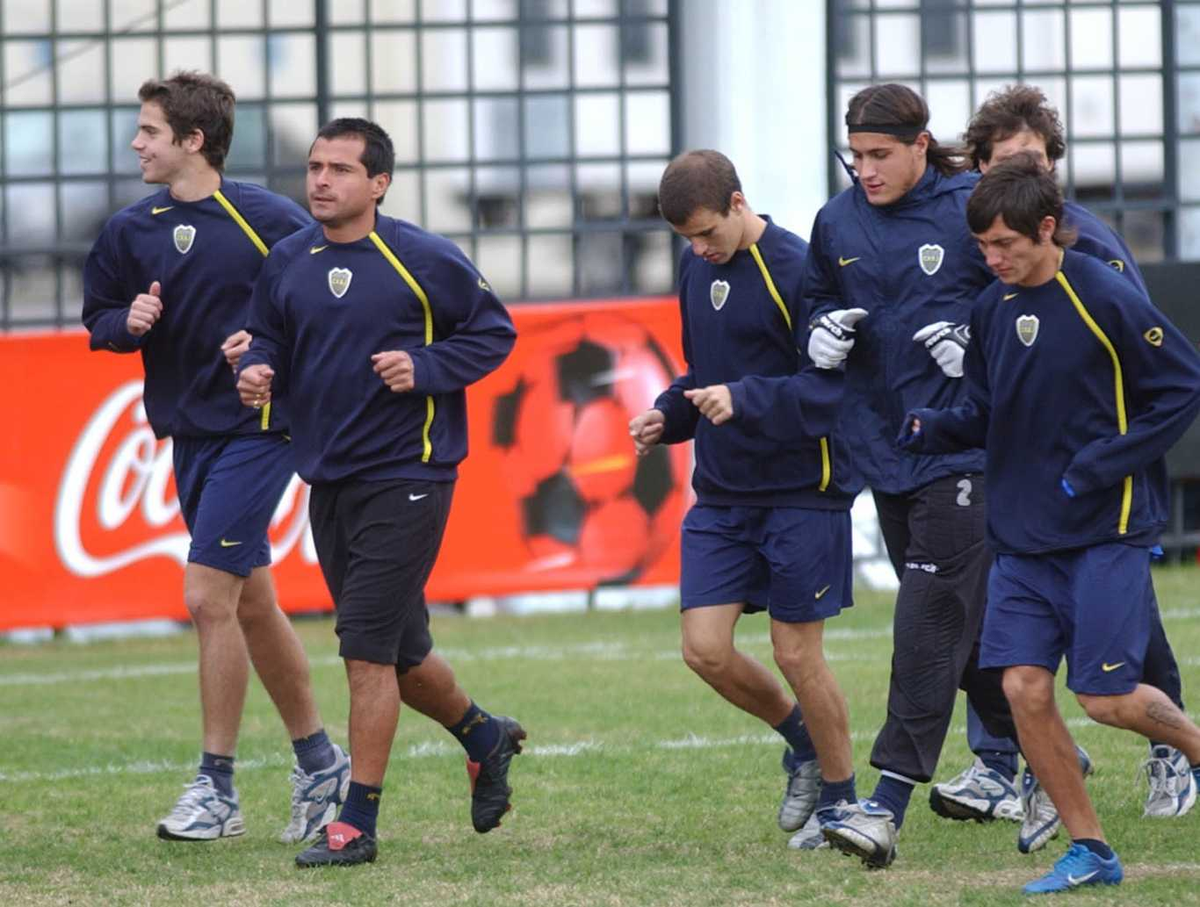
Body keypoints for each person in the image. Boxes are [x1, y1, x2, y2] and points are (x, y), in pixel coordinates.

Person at [901, 153, 1200, 894]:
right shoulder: (990, 308)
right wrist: (927, 426)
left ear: (1045, 229)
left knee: (1106, 698)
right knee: (1025, 690)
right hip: (1022, 539)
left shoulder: (1103, 292)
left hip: (1105, 528)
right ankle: (1090, 848)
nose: (994, 258)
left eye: (1006, 244)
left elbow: (1183, 385)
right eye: (983, 248)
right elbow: (982, 410)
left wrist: (1101, 464)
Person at [236, 118, 522, 868]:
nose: (321, 180)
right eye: (315, 166)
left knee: (363, 649)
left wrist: (425, 368)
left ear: (379, 183)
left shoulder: (422, 255)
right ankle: (484, 735)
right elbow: (264, 334)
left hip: (410, 476)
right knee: (400, 653)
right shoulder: (289, 259)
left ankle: (354, 821)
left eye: (340, 169)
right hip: (327, 478)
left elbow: (493, 333)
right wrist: (257, 368)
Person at [82, 71, 350, 844]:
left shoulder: (270, 218)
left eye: (151, 132)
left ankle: (217, 787)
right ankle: (319, 760)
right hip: (188, 432)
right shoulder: (129, 230)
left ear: (193, 142)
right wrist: (124, 322)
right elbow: (97, 314)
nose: (137, 142)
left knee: (207, 596)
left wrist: (270, 346)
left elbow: (328, 302)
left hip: (262, 426)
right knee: (251, 600)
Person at [800, 83, 1021, 867]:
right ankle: (1033, 751)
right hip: (887, 450)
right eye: (855, 155)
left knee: (925, 618)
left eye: (880, 155)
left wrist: (980, 345)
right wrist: (818, 333)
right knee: (969, 639)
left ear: (922, 146)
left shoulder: (972, 208)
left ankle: (885, 802)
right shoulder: (836, 222)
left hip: (967, 452)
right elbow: (815, 301)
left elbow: (1028, 292)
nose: (865, 169)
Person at [628, 149, 860, 851]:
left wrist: (744, 397)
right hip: (724, 494)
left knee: (796, 652)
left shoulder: (799, 269)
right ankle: (805, 747)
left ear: (737, 202)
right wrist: (671, 414)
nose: (699, 249)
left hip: (801, 491)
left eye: (707, 232)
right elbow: (704, 374)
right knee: (704, 650)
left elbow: (826, 390)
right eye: (686, 241)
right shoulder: (696, 269)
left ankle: (843, 807)